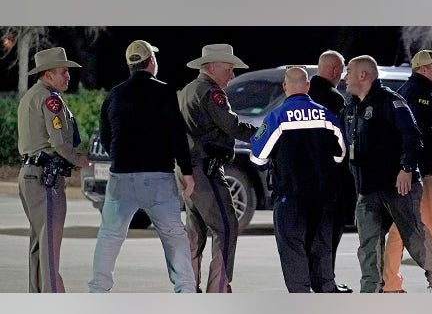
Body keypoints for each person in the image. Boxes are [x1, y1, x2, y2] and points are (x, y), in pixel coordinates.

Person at [340, 55, 432, 293]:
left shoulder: (391, 101)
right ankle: (371, 291)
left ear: (363, 75)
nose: (345, 77)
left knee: (416, 238)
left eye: (349, 71)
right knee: (368, 246)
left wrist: (407, 168)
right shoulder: (350, 109)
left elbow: (413, 136)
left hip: (397, 187)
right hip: (367, 189)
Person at [88, 40, 196, 293]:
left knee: (110, 237)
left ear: (130, 65)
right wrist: (187, 172)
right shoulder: (165, 92)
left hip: (121, 178)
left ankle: (97, 292)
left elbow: (106, 137)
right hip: (158, 176)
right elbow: (177, 135)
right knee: (173, 236)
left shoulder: (113, 95)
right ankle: (186, 291)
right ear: (150, 62)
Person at [250, 66, 346, 292]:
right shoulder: (326, 116)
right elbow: (340, 153)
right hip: (323, 198)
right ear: (308, 87)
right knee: (321, 248)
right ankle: (325, 291)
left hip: (291, 198)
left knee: (293, 249)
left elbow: (257, 158)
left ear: (285, 87)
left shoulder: (277, 117)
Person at [176, 44, 257, 293]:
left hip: (188, 169)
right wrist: (264, 133)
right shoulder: (212, 93)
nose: (232, 76)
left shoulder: (188, 90)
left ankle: (188, 287)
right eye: (229, 69)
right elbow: (232, 126)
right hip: (206, 170)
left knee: (195, 231)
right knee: (226, 226)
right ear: (212, 67)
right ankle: (219, 288)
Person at [382, 49, 432, 292]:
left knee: (400, 228)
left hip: (408, 173)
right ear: (422, 69)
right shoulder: (420, 95)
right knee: (430, 230)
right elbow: (424, 130)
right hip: (421, 172)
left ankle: (389, 283)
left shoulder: (407, 92)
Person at [17, 47, 89, 292]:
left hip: (30, 175)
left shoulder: (31, 96)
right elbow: (58, 141)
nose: (67, 76)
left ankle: (37, 298)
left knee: (38, 243)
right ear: (47, 74)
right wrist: (79, 159)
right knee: (49, 247)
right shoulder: (51, 100)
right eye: (63, 72)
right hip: (45, 178)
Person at [307, 50, 355, 293]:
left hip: (304, 180)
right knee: (328, 234)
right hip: (330, 178)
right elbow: (343, 141)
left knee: (309, 235)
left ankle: (311, 280)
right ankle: (326, 282)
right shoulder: (334, 99)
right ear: (336, 71)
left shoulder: (304, 95)